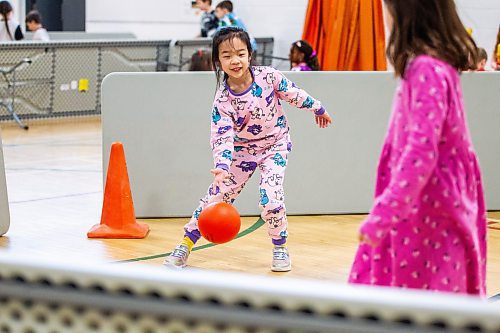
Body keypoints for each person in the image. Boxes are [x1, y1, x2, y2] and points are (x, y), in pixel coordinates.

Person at [164, 27, 332, 271]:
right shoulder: (223, 100)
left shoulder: (269, 77)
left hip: (275, 145)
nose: (235, 60)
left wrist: (317, 108)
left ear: (250, 55)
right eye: (227, 55)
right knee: (215, 197)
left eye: (240, 53)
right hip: (242, 152)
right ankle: (185, 244)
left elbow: (294, 93)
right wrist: (222, 167)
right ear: (218, 61)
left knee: (271, 196)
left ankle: (280, 247)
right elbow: (222, 135)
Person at [349, 0, 487, 296]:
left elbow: (421, 152)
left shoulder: (427, 69)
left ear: (404, 12)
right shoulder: (433, 66)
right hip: (426, 204)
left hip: (428, 210)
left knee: (422, 295)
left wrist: (385, 212)